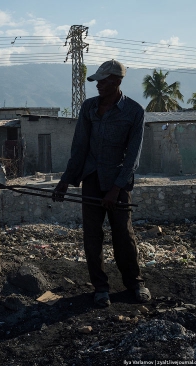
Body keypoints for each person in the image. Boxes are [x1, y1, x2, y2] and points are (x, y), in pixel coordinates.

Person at [52, 59, 151, 307]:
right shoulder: (88, 108)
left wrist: (116, 190)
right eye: (97, 81)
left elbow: (133, 157)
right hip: (92, 179)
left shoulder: (135, 112)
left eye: (103, 81)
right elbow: (80, 147)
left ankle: (135, 283)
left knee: (123, 235)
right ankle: (100, 288)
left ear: (117, 82)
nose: (98, 86)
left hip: (119, 181)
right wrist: (66, 180)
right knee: (92, 237)